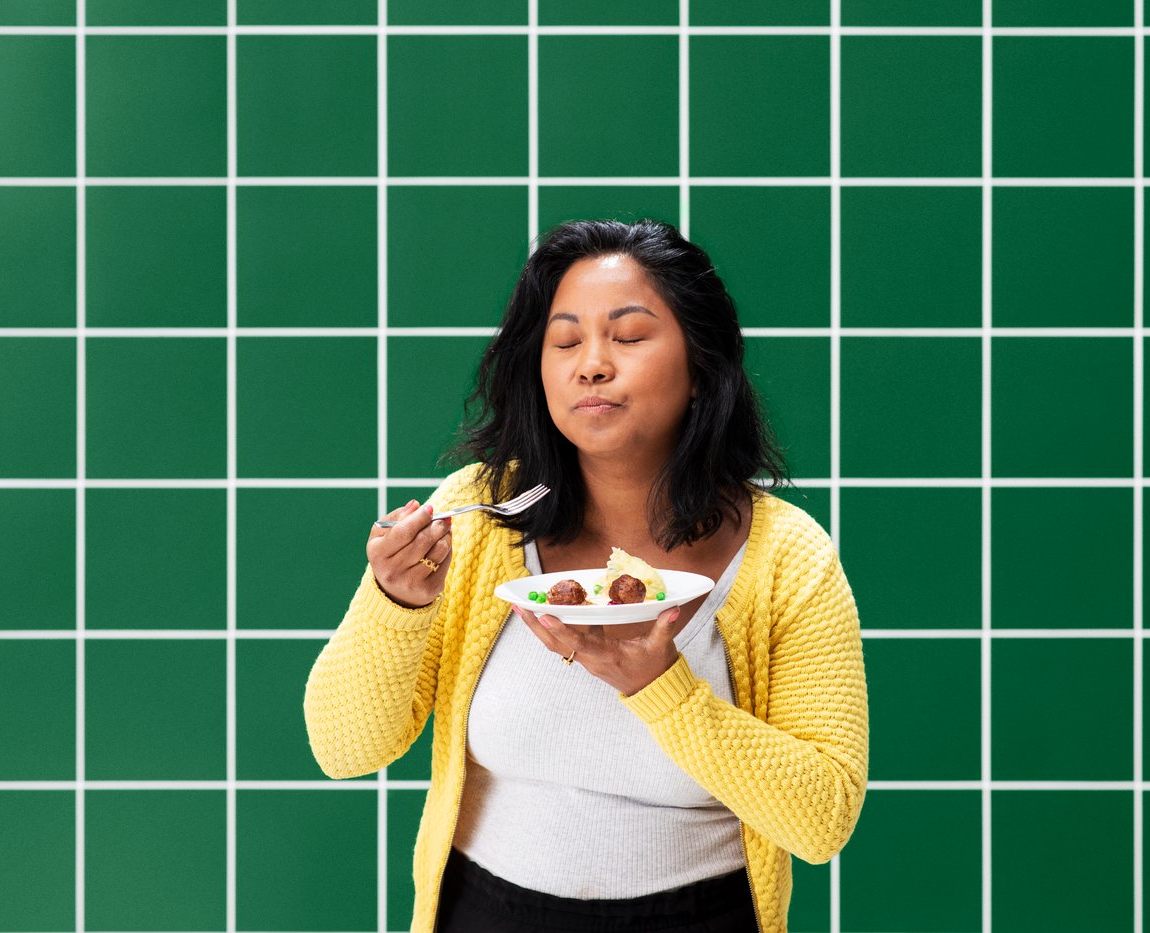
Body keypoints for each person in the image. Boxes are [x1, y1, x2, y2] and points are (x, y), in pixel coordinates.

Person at [304, 219, 869, 933]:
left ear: (701, 366)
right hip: (487, 912)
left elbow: (823, 823)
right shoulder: (476, 519)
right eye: (565, 342)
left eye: (628, 337)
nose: (591, 365)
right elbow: (343, 747)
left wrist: (660, 686)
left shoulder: (789, 556)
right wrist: (395, 602)